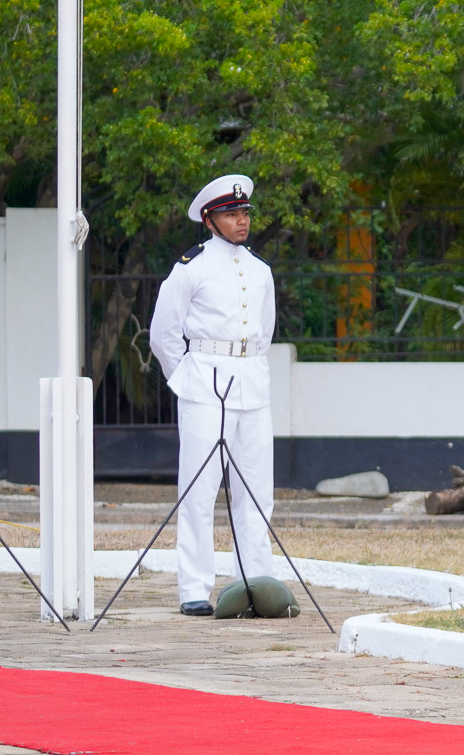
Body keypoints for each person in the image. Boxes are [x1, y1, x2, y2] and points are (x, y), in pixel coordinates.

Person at [149, 174, 278, 613]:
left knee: (258, 491)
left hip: (252, 385)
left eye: (244, 213)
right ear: (210, 220)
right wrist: (186, 376)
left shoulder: (261, 270)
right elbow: (163, 334)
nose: (241, 221)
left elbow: (265, 333)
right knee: (199, 489)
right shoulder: (192, 266)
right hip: (205, 383)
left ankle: (258, 582)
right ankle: (194, 588)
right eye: (231, 214)